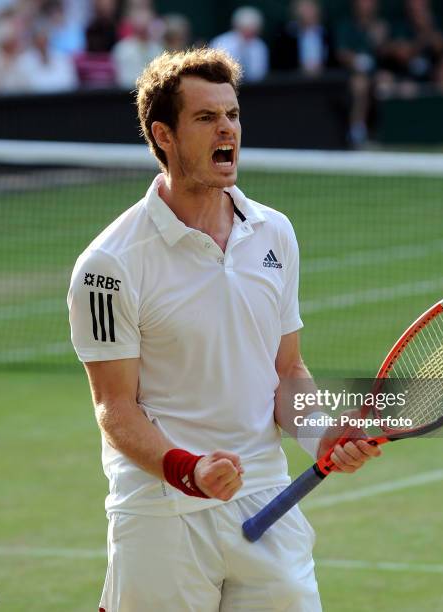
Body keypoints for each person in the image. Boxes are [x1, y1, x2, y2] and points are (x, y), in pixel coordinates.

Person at [67, 48, 380, 611]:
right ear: (163, 135)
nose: (227, 129)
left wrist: (321, 434)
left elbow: (286, 371)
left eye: (232, 114)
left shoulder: (275, 234)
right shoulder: (107, 266)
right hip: (162, 514)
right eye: (206, 118)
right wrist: (190, 472)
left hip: (268, 501)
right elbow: (114, 409)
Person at [335, 0, 392, 147]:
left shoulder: (381, 25)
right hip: (352, 75)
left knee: (385, 81)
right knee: (360, 84)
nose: (366, 5)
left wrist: (380, 41)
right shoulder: (346, 25)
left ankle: (383, 132)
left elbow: (387, 54)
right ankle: (357, 133)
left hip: (376, 74)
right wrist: (356, 60)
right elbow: (341, 53)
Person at [271, 0, 334, 75]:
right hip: (294, 81)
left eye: (310, 7)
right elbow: (279, 63)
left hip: (325, 80)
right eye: (303, 8)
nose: (307, 12)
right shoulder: (285, 36)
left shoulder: (327, 34)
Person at [210, 6, 269, 82]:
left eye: (253, 30)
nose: (249, 33)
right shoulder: (221, 42)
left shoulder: (260, 46)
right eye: (245, 29)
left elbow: (259, 73)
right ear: (237, 26)